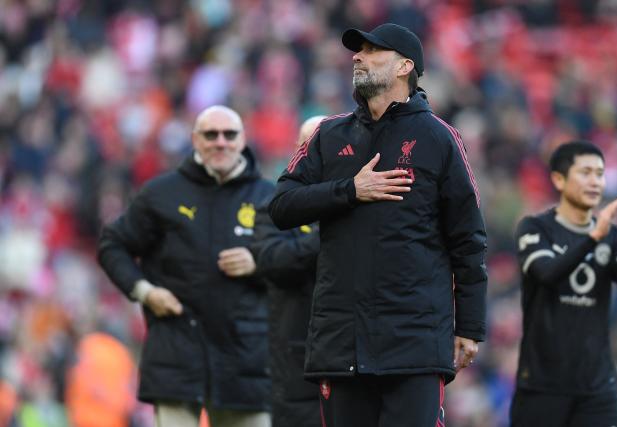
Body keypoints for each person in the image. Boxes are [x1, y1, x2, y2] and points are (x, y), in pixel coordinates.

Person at [268, 23, 487, 427]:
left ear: (405, 66)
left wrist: (470, 327)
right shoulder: (328, 135)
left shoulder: (440, 139)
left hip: (415, 343)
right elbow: (280, 206)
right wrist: (348, 189)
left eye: (372, 51)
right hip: (341, 343)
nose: (357, 56)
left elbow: (468, 240)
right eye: (358, 50)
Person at [97, 106, 273, 427]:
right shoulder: (161, 193)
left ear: (242, 140)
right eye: (210, 134)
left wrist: (260, 261)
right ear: (194, 139)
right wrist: (145, 292)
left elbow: (299, 259)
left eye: (229, 134)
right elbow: (113, 245)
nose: (220, 142)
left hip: (245, 357)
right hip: (175, 352)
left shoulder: (268, 197)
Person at [510, 141, 617, 427]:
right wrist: (593, 238)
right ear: (559, 179)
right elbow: (546, 273)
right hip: (542, 383)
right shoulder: (535, 229)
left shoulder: (612, 234)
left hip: (597, 385)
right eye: (585, 172)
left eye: (600, 173)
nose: (595, 181)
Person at [250, 115, 325, 427]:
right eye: (308, 145)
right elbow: (273, 261)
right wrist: (328, 236)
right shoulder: (276, 206)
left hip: (355, 359)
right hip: (297, 366)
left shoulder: (366, 203)